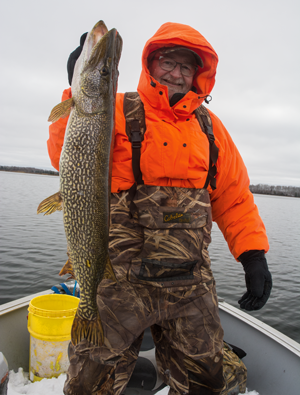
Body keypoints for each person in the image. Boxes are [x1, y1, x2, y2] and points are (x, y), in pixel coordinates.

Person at [47, 22, 272, 395]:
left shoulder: (211, 129)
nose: (178, 73)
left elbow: (234, 198)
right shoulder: (115, 108)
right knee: (91, 382)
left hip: (190, 285)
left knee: (206, 381)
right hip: (120, 281)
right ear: (150, 64)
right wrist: (74, 89)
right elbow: (65, 156)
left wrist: (252, 254)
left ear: (199, 76)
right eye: (169, 62)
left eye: (187, 67)